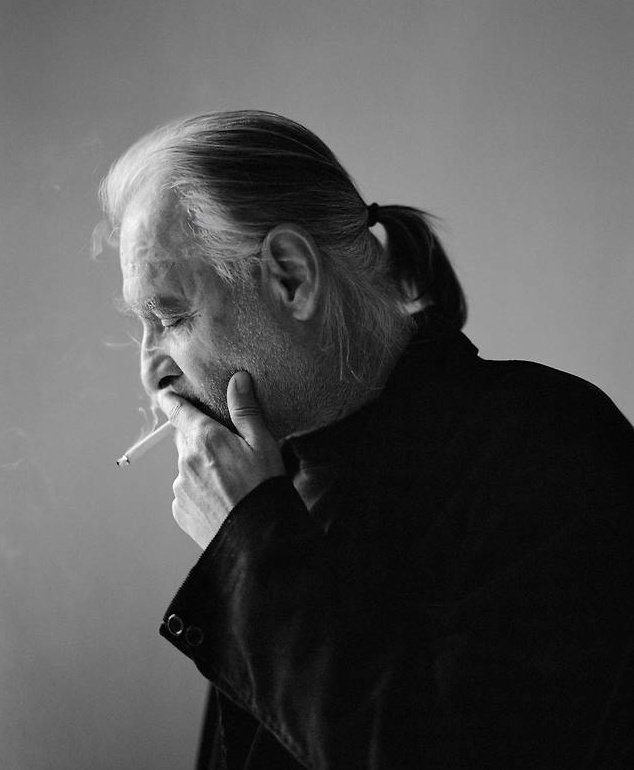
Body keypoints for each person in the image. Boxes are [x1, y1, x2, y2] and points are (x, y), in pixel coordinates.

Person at [100, 110, 634, 769]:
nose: (151, 370)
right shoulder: (281, 474)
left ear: (291, 276)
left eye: (171, 315)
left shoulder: (549, 448)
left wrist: (249, 542)